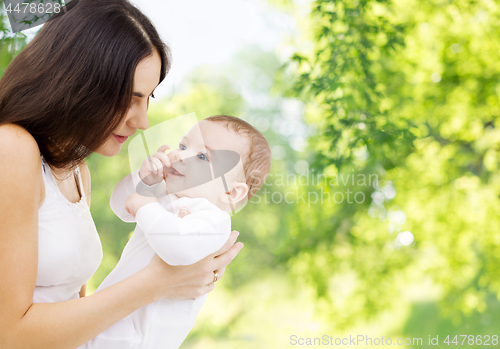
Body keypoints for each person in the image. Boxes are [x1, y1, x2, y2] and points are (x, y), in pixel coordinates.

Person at [0, 1, 243, 348]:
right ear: (79, 81)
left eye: (149, 98)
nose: (142, 121)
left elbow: (75, 317)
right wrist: (158, 281)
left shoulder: (76, 171)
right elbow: (9, 334)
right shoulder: (11, 149)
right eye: (130, 98)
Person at [79, 115, 271, 349]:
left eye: (202, 156)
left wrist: (145, 206)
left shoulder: (214, 221)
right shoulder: (164, 196)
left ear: (231, 193)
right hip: (104, 321)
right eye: (183, 146)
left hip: (137, 340)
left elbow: (179, 250)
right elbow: (121, 207)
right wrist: (143, 180)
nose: (179, 155)